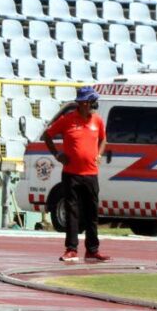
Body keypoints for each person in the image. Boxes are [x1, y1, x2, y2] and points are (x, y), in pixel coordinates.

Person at [42, 85, 110, 263]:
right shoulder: (67, 120)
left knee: (92, 213)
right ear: (82, 103)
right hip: (71, 174)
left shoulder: (97, 121)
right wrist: (57, 154)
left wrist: (99, 154)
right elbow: (47, 135)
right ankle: (71, 249)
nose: (92, 105)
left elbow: (104, 139)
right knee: (72, 212)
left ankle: (92, 249)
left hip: (91, 174)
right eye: (90, 102)